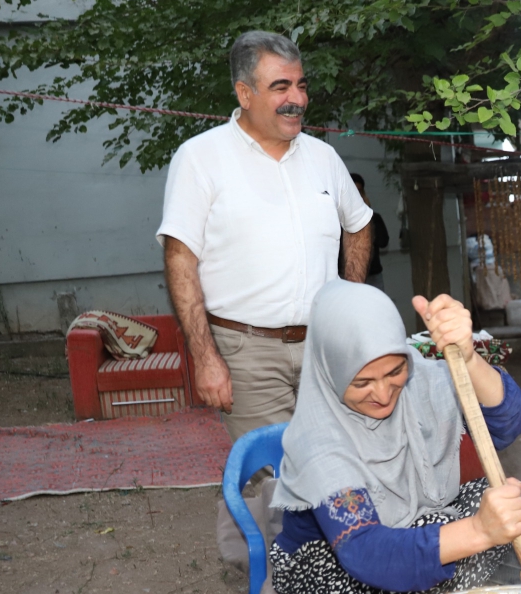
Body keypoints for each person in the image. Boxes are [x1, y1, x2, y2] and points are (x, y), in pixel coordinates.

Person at [267, 280, 521, 594]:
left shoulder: (419, 381)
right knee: (455, 579)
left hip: (406, 524)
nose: (383, 393)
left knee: (500, 502)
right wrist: (480, 531)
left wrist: (467, 356)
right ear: (331, 370)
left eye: (394, 372)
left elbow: (507, 424)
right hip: (331, 566)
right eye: (361, 382)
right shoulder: (318, 440)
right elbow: (367, 552)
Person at [157, 30, 374, 442]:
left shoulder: (322, 156)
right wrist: (205, 358)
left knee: (332, 467)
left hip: (324, 349)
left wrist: (351, 299)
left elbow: (360, 224)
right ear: (244, 93)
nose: (298, 98)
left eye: (301, 84)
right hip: (246, 354)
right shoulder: (200, 158)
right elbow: (180, 259)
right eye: (281, 87)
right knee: (273, 483)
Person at [342, 172, 389, 282]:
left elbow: (383, 242)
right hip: (348, 278)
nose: (357, 195)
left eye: (360, 191)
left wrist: (368, 214)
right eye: (354, 191)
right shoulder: (339, 218)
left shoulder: (374, 217)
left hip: (373, 276)